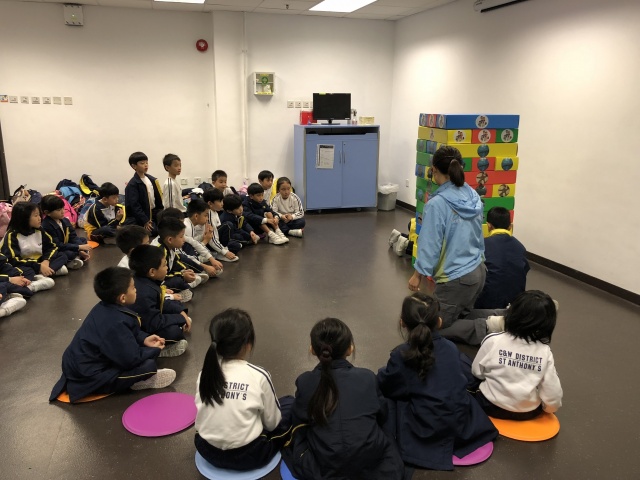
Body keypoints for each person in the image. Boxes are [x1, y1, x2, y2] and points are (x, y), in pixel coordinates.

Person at [376, 293, 497, 471]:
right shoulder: (451, 347)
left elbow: (387, 385)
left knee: (391, 400)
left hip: (428, 430)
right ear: (439, 322)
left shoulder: (401, 355)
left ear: (402, 322)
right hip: (461, 425)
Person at [282, 318, 404, 480]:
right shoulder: (367, 377)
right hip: (371, 464)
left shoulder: (305, 381)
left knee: (290, 414)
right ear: (350, 349)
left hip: (322, 467)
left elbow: (300, 422)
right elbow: (382, 415)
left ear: (312, 350)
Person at [407, 145, 495, 346]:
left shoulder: (437, 204)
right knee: (462, 316)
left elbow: (430, 244)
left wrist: (418, 274)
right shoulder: (472, 195)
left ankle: (493, 326)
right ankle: (504, 316)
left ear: (434, 170)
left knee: (435, 327)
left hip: (456, 278)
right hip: (478, 270)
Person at [49, 267, 176, 403]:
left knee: (145, 355)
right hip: (88, 376)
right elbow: (131, 359)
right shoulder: (114, 323)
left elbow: (129, 333)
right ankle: (138, 382)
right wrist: (154, 350)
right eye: (133, 288)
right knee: (148, 366)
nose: (136, 290)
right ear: (122, 298)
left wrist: (144, 339)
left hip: (80, 365)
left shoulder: (104, 307)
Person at [194, 308, 291, 471]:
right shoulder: (259, 375)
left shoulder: (204, 374)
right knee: (290, 404)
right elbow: (272, 424)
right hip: (250, 456)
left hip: (207, 451)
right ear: (248, 344)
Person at [471, 290, 563, 420]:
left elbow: (477, 372)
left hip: (489, 406)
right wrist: (549, 409)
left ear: (510, 313)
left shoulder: (493, 340)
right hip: (526, 413)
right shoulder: (545, 351)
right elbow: (552, 390)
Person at [128, 245, 191, 357]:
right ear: (152, 271)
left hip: (148, 319)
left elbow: (161, 301)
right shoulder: (144, 293)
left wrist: (181, 312)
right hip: (138, 330)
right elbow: (153, 323)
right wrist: (180, 318)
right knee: (173, 332)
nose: (167, 268)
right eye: (164, 265)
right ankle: (155, 350)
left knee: (177, 308)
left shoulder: (146, 280)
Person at [474, 207, 530, 309]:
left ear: (489, 226)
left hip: (486, 303)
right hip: (516, 302)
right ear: (510, 226)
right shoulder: (520, 247)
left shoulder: (483, 245)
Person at [1, 202, 69, 277]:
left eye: (39, 215)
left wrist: (46, 261)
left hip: (40, 261)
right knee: (25, 270)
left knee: (62, 255)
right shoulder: (12, 235)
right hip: (25, 264)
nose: (40, 218)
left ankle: (45, 272)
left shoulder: (39, 230)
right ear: (24, 218)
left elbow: (51, 247)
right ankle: (48, 272)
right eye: (36, 216)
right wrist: (38, 266)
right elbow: (12, 260)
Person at [152, 216, 205, 292]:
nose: (184, 239)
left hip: (168, 272)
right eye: (181, 237)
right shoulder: (158, 252)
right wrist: (182, 276)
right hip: (158, 281)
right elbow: (160, 276)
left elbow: (175, 261)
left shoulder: (169, 245)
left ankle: (194, 276)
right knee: (178, 282)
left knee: (182, 259)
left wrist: (184, 271)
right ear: (170, 240)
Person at [40, 194, 91, 270]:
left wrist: (80, 247)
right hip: (57, 249)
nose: (63, 212)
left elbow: (73, 237)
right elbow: (57, 245)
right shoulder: (46, 225)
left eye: (63, 208)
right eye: (58, 210)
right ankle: (72, 260)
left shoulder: (65, 220)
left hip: (66, 245)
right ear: (47, 212)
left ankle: (75, 257)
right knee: (67, 254)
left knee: (82, 240)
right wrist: (78, 248)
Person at [124, 151, 164, 235]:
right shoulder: (132, 184)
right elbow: (135, 206)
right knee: (155, 231)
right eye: (142, 163)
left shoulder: (151, 180)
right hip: (142, 216)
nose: (146, 165)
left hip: (154, 213)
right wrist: (145, 220)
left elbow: (157, 200)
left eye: (146, 162)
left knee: (167, 226)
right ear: (134, 166)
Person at [180, 200, 225, 273]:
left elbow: (194, 241)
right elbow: (190, 249)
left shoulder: (191, 224)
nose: (207, 219)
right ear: (196, 216)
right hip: (182, 256)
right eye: (205, 215)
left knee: (207, 254)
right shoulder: (187, 227)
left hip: (187, 254)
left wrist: (205, 235)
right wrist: (206, 240)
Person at [202, 188, 238, 262]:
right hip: (208, 243)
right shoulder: (209, 214)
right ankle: (218, 253)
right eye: (220, 201)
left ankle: (220, 250)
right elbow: (212, 238)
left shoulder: (214, 212)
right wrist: (224, 252)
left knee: (236, 246)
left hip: (215, 241)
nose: (222, 203)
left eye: (222, 201)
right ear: (210, 203)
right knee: (228, 225)